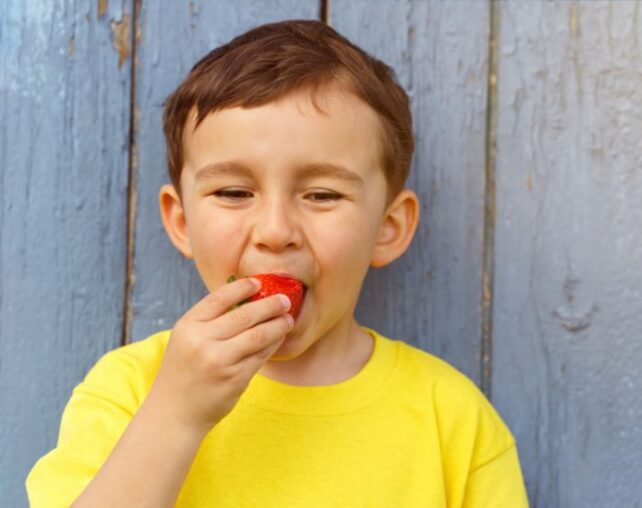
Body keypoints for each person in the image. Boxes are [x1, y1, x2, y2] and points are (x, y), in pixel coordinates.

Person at [26, 19, 529, 507]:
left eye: (322, 194)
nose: (274, 231)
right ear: (181, 222)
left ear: (387, 228)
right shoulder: (132, 391)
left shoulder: (453, 421)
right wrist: (176, 417)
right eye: (233, 192)